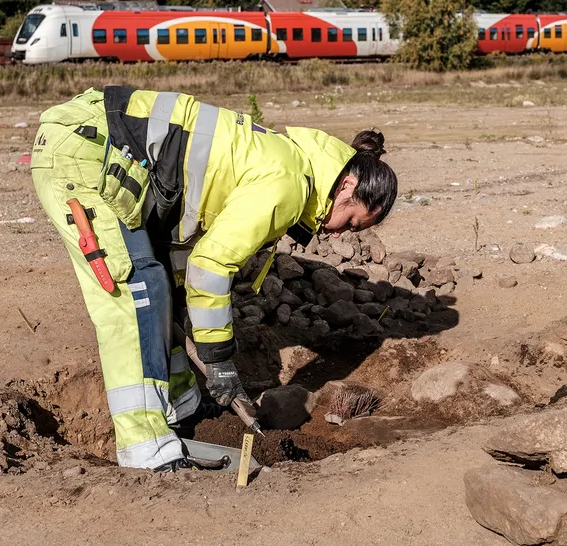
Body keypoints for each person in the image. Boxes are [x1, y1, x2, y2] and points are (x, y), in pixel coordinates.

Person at [29, 86, 398, 471]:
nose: (340, 234)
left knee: (163, 288)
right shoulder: (288, 183)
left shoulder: (293, 165)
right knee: (137, 291)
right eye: (353, 221)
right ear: (348, 186)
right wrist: (219, 362)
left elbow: (191, 248)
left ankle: (183, 407)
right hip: (85, 151)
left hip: (109, 153)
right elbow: (210, 266)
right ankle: (145, 448)